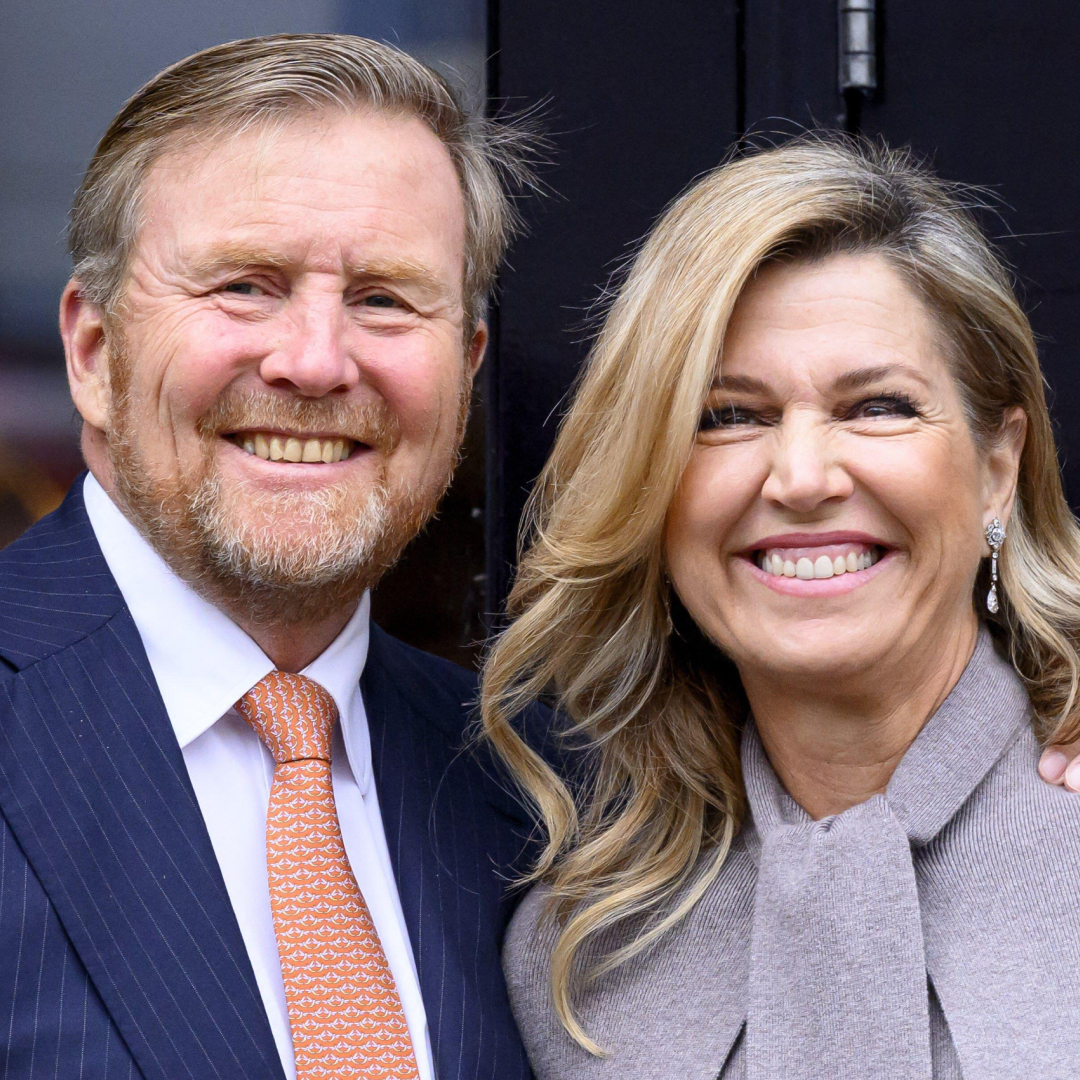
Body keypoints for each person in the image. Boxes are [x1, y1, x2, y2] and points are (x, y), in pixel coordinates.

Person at [0, 34, 542, 1080]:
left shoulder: (539, 790)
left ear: (466, 370)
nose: (316, 361)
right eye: (246, 285)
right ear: (94, 353)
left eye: (385, 298)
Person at [483, 137, 1080, 1079]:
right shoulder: (578, 959)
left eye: (877, 406)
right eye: (728, 416)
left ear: (997, 469)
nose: (801, 478)